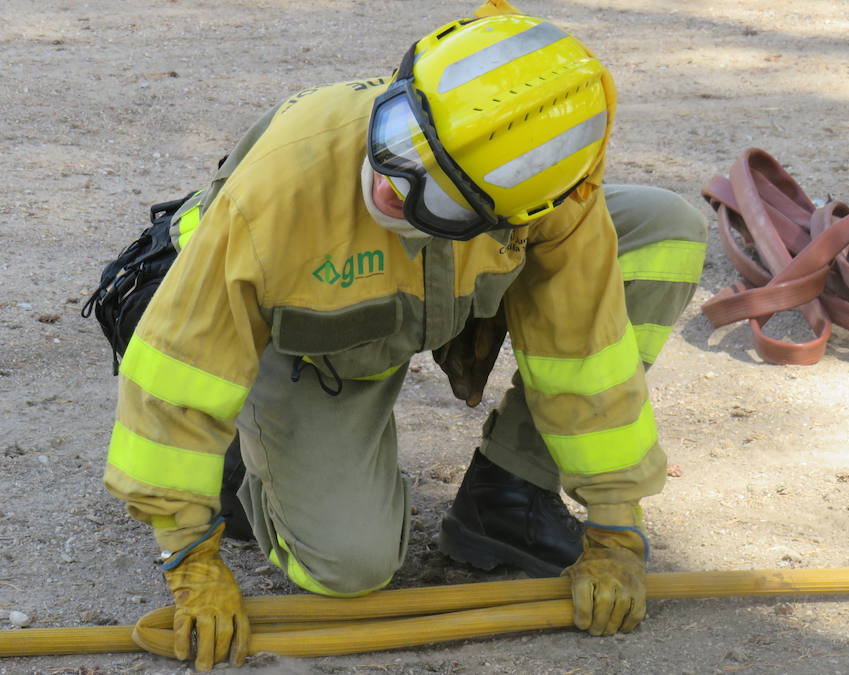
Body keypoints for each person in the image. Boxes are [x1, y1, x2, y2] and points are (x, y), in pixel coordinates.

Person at [103, 2, 707, 670]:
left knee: (662, 231)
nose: (391, 183)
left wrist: (614, 528)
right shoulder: (283, 184)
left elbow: (584, 354)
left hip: (438, 286)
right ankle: (243, 466)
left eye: (439, 193)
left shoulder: (552, 201)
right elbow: (179, 375)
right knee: (349, 567)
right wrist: (191, 557)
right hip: (299, 337)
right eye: (400, 138)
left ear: (517, 211)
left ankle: (508, 496)